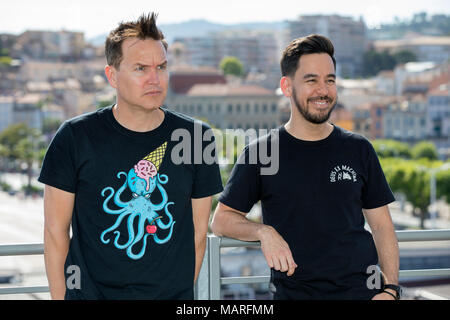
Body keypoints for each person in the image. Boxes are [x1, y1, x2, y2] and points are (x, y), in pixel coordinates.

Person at [39, 13, 223, 300]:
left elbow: (199, 235)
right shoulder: (74, 137)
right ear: (112, 75)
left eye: (161, 67)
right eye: (140, 68)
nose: (155, 78)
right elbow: (55, 232)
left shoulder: (198, 139)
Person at [211, 34, 400, 300]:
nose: (323, 90)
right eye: (311, 80)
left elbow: (382, 226)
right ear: (287, 87)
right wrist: (263, 232)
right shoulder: (261, 153)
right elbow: (221, 220)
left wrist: (391, 290)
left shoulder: (359, 148)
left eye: (330, 80)